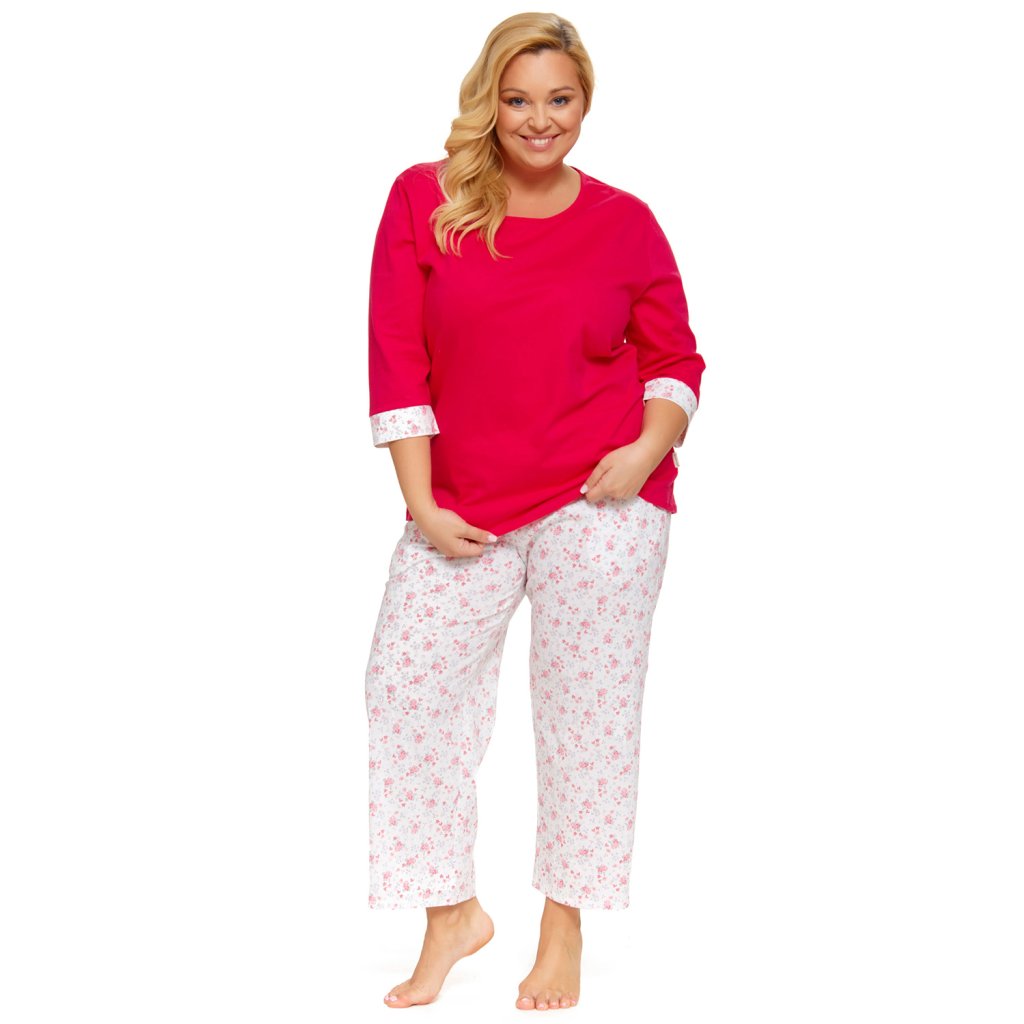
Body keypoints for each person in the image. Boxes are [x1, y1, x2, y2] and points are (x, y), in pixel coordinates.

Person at [364, 12, 706, 1011]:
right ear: (490, 101)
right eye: (518, 99)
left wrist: (643, 451)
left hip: (599, 496)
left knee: (587, 715)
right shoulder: (424, 199)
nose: (539, 119)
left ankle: (564, 924)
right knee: (403, 686)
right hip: (461, 502)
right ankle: (450, 914)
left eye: (559, 99)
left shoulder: (626, 222)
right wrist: (420, 502)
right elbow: (397, 356)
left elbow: (675, 360)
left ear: (584, 102)